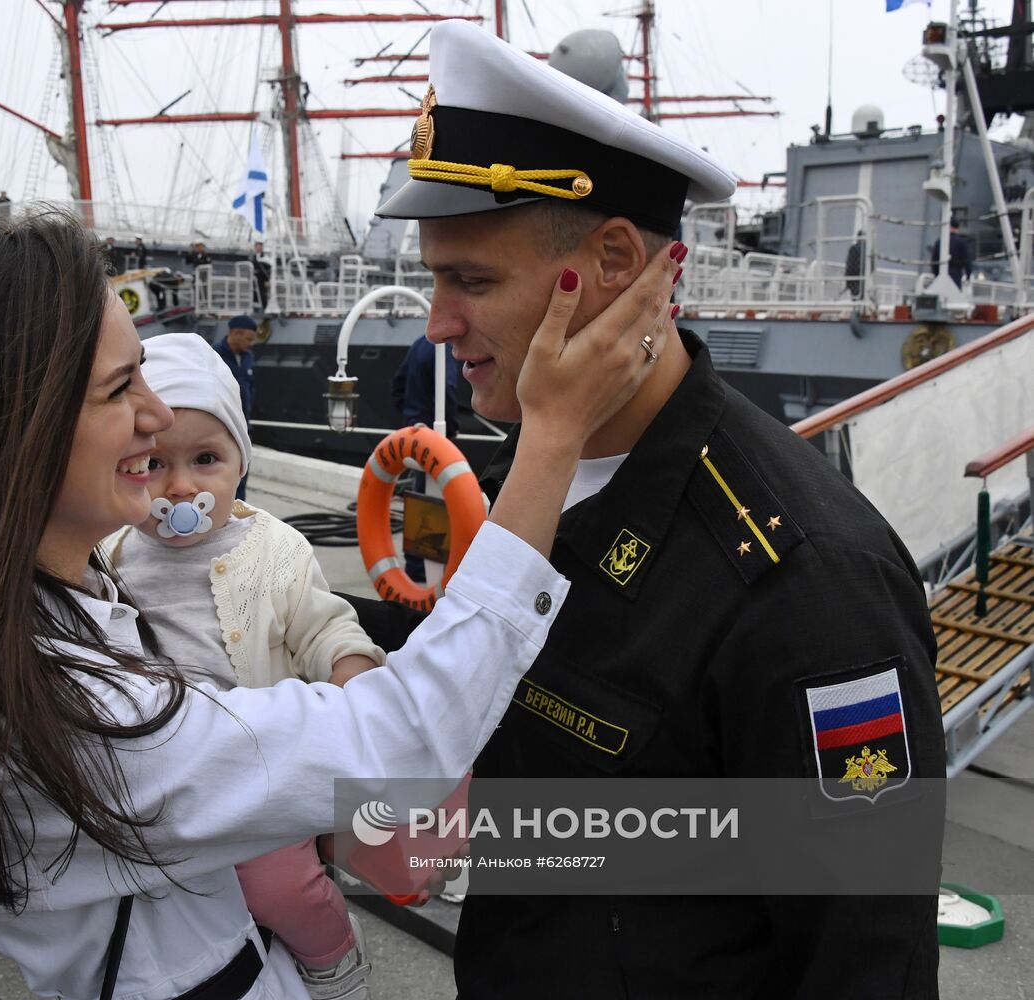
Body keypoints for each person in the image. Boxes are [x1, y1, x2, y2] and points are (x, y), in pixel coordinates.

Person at [0, 211, 675, 1000]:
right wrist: (553, 437)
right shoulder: (74, 719)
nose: (156, 417)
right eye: (122, 390)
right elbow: (400, 742)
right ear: (18, 429)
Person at [360, 21, 944, 998]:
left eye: (471, 279)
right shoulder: (541, 478)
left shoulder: (807, 584)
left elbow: (864, 962)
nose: (438, 323)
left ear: (619, 260)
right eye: (433, 277)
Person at [104, 333, 385, 998]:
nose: (181, 487)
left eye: (205, 460)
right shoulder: (111, 554)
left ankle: (333, 952)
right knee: (190, 898)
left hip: (261, 776)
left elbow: (323, 623)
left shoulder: (274, 548)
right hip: (167, 779)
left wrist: (350, 671)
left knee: (279, 885)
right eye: (154, 464)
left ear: (238, 463)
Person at [388, 334, 460, 583]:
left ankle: (416, 563)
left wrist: (411, 419)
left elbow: (396, 385)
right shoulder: (443, 349)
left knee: (420, 495)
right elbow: (448, 389)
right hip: (435, 435)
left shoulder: (418, 344)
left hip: (416, 432)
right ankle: (424, 566)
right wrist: (450, 427)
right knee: (435, 502)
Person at [215, 314, 257, 501]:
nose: (251, 343)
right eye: (248, 338)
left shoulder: (248, 356)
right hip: (221, 423)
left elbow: (251, 385)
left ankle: (238, 507)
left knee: (242, 467)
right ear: (235, 333)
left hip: (243, 422)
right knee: (222, 469)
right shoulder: (213, 355)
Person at [930, 221, 973, 288]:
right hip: (956, 272)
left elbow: (934, 260)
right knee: (954, 294)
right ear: (957, 229)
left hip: (941, 272)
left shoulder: (940, 241)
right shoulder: (962, 242)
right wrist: (968, 275)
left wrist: (936, 274)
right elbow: (966, 260)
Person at [844, 230, 867, 300]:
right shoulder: (868, 250)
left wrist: (848, 282)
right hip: (865, 280)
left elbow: (850, 266)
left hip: (855, 280)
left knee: (856, 300)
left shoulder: (854, 249)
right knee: (863, 298)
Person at [251, 240, 272, 311]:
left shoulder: (266, 258)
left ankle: (265, 309)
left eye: (261, 247)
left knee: (263, 295)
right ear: (255, 247)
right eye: (258, 247)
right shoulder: (253, 258)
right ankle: (255, 309)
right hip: (254, 279)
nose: (259, 248)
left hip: (263, 280)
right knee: (254, 294)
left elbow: (269, 270)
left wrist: (267, 280)